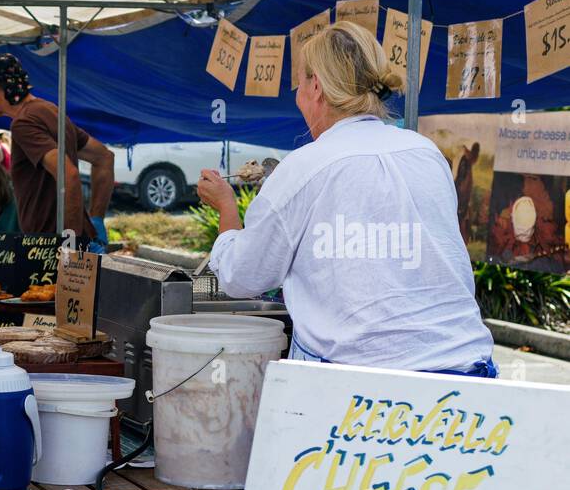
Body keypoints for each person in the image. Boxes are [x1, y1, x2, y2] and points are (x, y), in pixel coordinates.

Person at [198, 21, 494, 374]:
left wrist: (227, 207)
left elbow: (241, 277)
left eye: (300, 84)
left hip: (359, 386)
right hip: (466, 369)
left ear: (317, 87)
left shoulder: (303, 167)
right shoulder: (425, 152)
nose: (298, 95)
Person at [0, 53, 115, 246]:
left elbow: (69, 175)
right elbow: (104, 158)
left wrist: (69, 243)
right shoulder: (49, 110)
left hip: (48, 244)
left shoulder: (23, 123)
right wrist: (96, 219)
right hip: (74, 237)